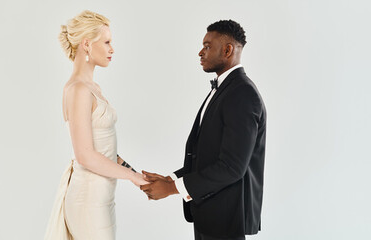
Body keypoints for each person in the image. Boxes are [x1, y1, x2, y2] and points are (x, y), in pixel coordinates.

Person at [140, 20, 267, 240]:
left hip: (227, 218)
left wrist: (172, 189)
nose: (200, 52)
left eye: (207, 46)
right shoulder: (226, 89)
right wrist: (170, 180)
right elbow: (207, 156)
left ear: (227, 50)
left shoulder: (242, 94)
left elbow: (231, 167)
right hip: (211, 214)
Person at [44, 10, 149, 240]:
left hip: (101, 199)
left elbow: (104, 148)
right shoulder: (78, 89)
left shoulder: (91, 87)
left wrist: (136, 173)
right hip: (87, 201)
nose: (112, 49)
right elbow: (85, 155)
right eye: (107, 42)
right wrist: (131, 177)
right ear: (86, 45)